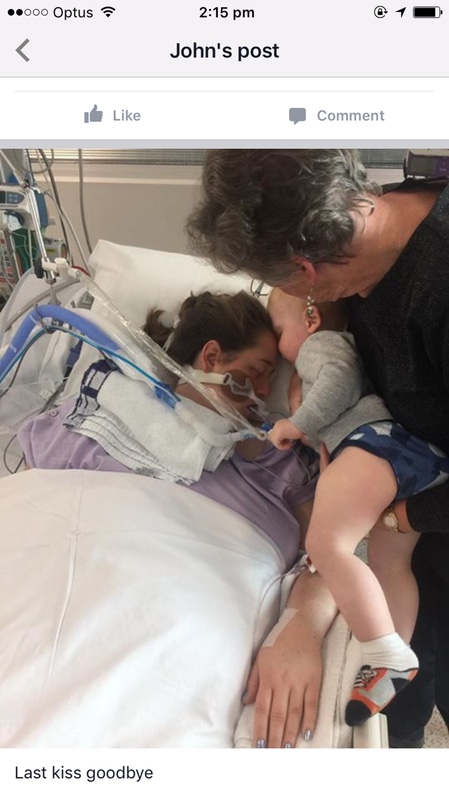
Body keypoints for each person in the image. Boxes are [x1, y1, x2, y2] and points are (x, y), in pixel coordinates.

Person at [186, 148, 449, 747]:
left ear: (305, 271)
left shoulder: (435, 285)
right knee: (398, 697)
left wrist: (400, 515)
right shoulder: (363, 234)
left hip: (421, 497)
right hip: (400, 489)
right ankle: (391, 668)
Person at [17, 289, 338, 749]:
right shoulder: (98, 408)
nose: (265, 391)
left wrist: (300, 626)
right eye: (257, 371)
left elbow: (331, 551)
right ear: (211, 357)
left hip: (176, 609)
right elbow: (31, 510)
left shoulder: (272, 452)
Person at [267, 287, 449, 725]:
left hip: (373, 445)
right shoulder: (338, 348)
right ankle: (392, 658)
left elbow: (340, 381)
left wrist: (295, 422)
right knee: (390, 563)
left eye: (278, 329)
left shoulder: (319, 346)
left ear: (310, 319)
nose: (276, 345)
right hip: (404, 456)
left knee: (327, 546)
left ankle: (383, 650)